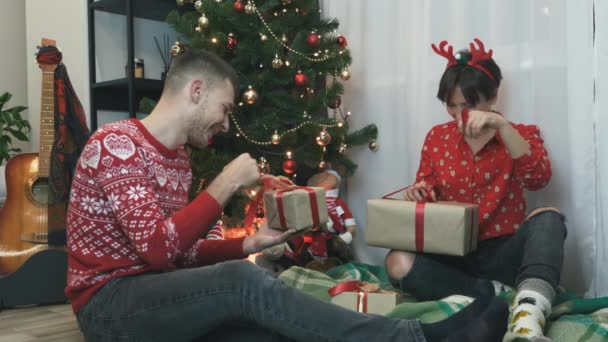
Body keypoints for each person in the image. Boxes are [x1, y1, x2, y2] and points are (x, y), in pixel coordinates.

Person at [66, 46, 508, 342]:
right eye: (223, 108)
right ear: (195, 91)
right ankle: (418, 338)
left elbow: (179, 253)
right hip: (108, 304)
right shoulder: (115, 145)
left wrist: (248, 244)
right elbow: (159, 249)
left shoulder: (177, 159)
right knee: (239, 282)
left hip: (156, 291)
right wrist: (225, 182)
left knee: (270, 323)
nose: (225, 122)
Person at [384, 38, 567, 341]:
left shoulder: (521, 134)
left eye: (467, 105)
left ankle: (526, 317)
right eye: (450, 105)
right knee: (397, 261)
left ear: (492, 97)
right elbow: (428, 186)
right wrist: (421, 192)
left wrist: (502, 128)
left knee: (549, 217)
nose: (458, 115)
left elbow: (538, 178)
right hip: (452, 253)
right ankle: (496, 294)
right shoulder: (437, 138)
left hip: (502, 252)